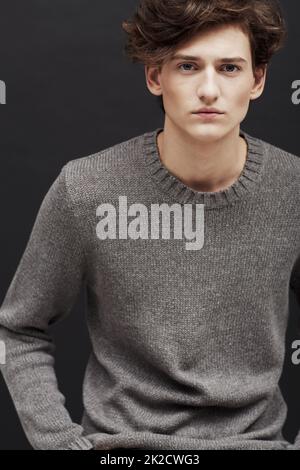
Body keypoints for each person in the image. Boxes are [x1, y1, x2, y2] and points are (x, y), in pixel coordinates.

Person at [0, 0, 299, 450]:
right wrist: (60, 444)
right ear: (155, 76)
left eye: (230, 68)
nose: (209, 89)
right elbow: (19, 328)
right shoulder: (87, 189)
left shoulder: (293, 191)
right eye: (188, 66)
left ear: (258, 80)